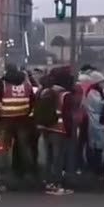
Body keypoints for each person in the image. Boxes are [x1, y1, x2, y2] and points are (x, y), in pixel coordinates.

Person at [35, 67, 76, 196]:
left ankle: (48, 182)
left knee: (49, 157)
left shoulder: (43, 91)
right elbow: (68, 116)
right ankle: (56, 184)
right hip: (59, 129)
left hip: (46, 127)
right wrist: (70, 132)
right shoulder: (65, 94)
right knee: (58, 159)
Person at [0, 64, 36, 187]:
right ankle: (27, 172)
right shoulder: (26, 83)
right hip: (22, 119)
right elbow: (32, 100)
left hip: (6, 120)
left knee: (3, 148)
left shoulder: (2, 84)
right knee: (24, 146)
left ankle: (2, 175)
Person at [83, 72, 104, 173]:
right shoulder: (92, 93)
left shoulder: (102, 91)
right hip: (94, 120)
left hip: (101, 120)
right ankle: (96, 167)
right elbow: (98, 105)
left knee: (102, 145)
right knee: (96, 145)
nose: (103, 84)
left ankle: (100, 166)